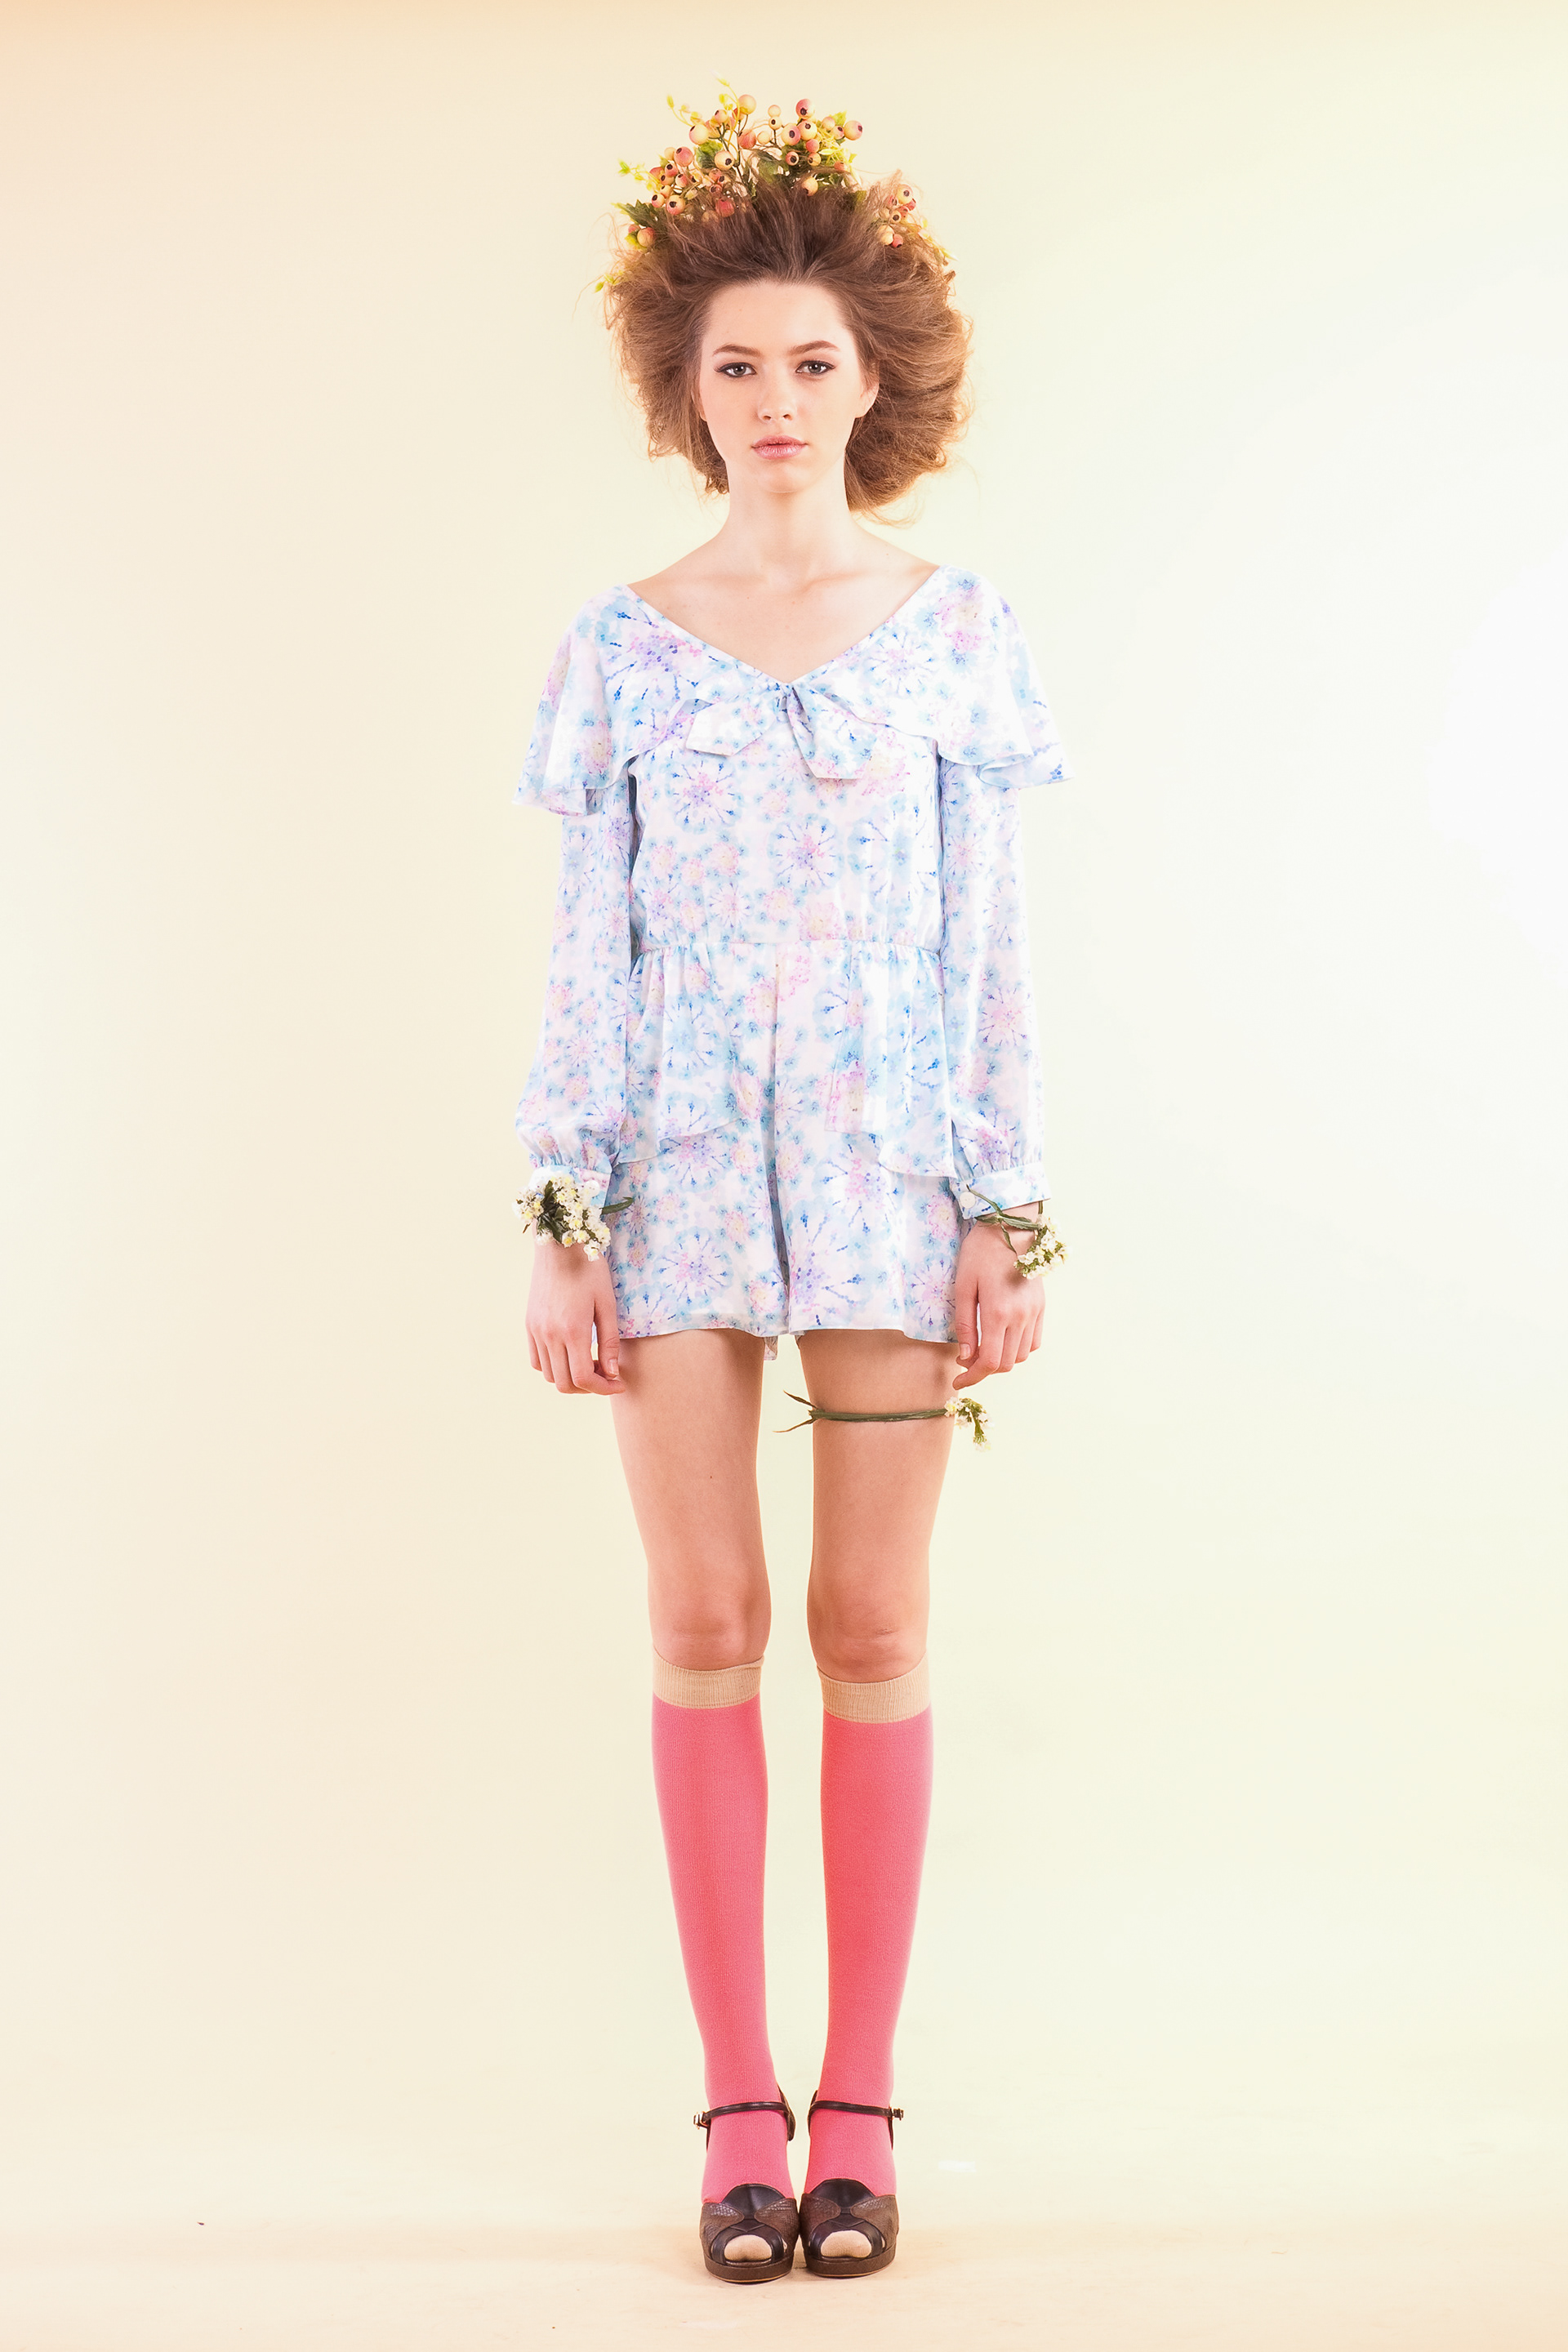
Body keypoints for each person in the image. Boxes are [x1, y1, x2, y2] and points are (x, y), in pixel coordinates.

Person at [512, 88, 1067, 2284]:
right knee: (704, 1621)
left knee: (874, 1625)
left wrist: (1003, 1202)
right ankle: (738, 2109)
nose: (772, 399)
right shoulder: (622, 648)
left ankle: (862, 2107)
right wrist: (564, 1220)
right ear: (686, 381)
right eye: (734, 362)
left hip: (888, 1173)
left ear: (869, 379)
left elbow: (994, 942)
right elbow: (591, 949)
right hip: (667, 1187)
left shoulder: (956, 632)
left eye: (809, 362)